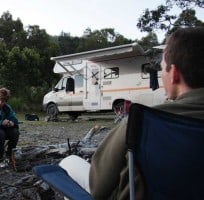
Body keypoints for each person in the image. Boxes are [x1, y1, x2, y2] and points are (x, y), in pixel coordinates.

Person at [59, 27, 204, 200]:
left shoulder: (141, 122)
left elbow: (98, 186)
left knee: (68, 162)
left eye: (162, 68)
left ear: (174, 74)